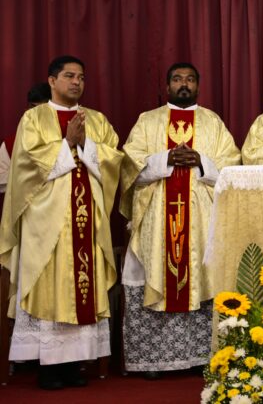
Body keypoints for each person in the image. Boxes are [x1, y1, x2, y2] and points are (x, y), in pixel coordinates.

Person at [0, 56, 122, 389]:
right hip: (47, 223)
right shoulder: (34, 118)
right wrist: (67, 142)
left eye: (81, 77)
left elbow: (114, 158)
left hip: (86, 221)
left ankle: (74, 365)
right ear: (52, 81)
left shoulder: (95, 119)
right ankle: (48, 367)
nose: (76, 82)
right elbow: (27, 163)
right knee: (49, 287)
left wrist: (85, 142)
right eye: (69, 76)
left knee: (82, 287)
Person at [119, 62, 241, 378]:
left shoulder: (212, 122)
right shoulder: (148, 121)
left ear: (198, 85)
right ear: (167, 85)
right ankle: (155, 361)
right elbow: (130, 167)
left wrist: (201, 162)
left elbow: (231, 165)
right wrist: (166, 159)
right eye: (177, 79)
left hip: (200, 220)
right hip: (158, 218)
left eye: (189, 79)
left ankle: (201, 356)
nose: (183, 84)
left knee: (200, 280)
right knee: (157, 276)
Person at [1, 83, 51, 195]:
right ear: (26, 109)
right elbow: (2, 180)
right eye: (33, 108)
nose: (37, 114)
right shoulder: (10, 144)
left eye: (43, 109)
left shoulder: (69, 139)